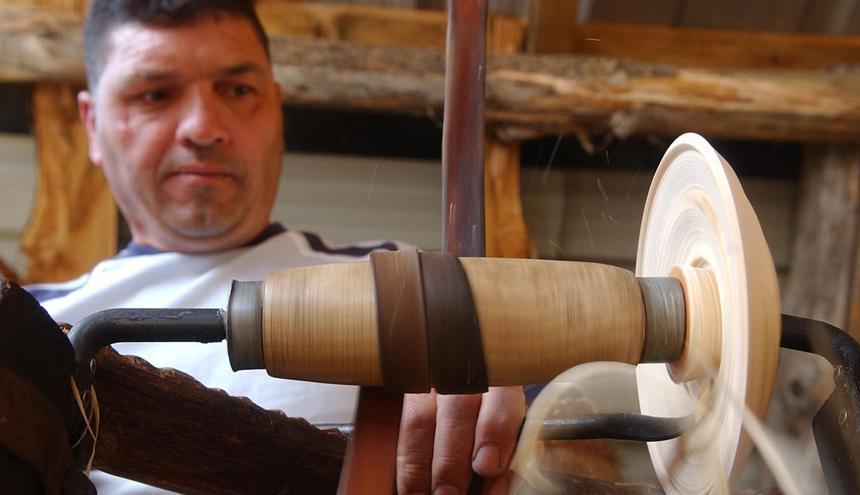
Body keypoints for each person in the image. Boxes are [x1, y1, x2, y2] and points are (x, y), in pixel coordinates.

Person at [26, 1, 525, 494]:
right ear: (91, 124)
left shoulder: (409, 286)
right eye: (156, 94)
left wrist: (513, 403)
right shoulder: (29, 324)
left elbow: (575, 433)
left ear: (275, 109)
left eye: (238, 89)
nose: (203, 128)